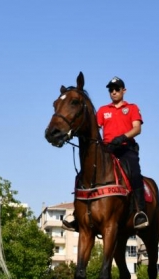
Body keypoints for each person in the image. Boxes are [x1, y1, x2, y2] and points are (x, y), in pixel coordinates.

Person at [63, 76, 148, 231]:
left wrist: (123, 137)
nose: (114, 92)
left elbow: (137, 128)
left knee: (134, 174)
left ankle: (140, 212)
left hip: (126, 148)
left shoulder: (132, 108)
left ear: (124, 90)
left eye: (117, 89)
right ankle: (77, 216)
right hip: (107, 150)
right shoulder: (103, 110)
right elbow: (93, 128)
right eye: (111, 90)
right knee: (82, 176)